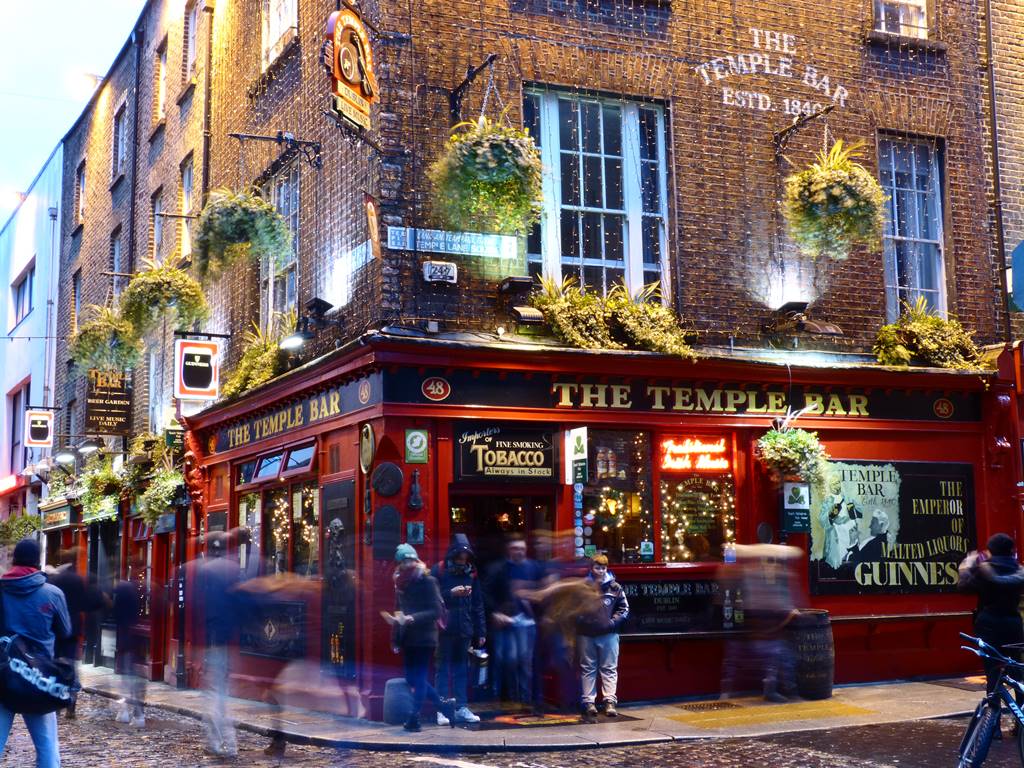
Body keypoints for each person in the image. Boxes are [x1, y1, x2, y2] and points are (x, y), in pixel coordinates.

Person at [0, 538, 71, 768]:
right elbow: (66, 631)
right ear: (38, 560)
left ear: (15, 560)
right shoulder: (52, 593)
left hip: (2, 677)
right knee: (48, 751)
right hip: (37, 679)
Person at [384, 544, 455, 732]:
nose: (408, 565)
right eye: (404, 562)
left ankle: (414, 718)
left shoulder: (428, 581)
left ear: (416, 561)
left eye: (411, 561)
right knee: (412, 678)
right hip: (408, 637)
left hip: (425, 637)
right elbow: (398, 610)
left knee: (420, 676)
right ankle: (444, 706)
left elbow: (436, 611)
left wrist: (413, 618)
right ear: (399, 564)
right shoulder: (400, 582)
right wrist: (395, 638)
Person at [958, 533, 1024, 693]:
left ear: (990, 550)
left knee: (992, 669)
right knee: (1016, 667)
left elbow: (964, 588)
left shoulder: (983, 569)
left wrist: (966, 566)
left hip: (988, 622)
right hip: (1013, 622)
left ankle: (994, 710)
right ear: (1011, 550)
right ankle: (1020, 712)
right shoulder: (1019, 569)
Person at [431, 535, 486, 725]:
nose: (463, 559)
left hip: (465, 628)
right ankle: (442, 709)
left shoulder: (471, 573)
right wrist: (451, 594)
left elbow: (478, 603)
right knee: (443, 669)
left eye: (466, 556)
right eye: (460, 555)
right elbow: (431, 598)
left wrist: (481, 631)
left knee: (461, 669)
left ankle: (461, 707)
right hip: (444, 629)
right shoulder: (439, 571)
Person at [485, 536, 545, 706]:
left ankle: (525, 699)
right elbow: (486, 592)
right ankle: (507, 697)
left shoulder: (533, 567)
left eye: (521, 548)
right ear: (508, 550)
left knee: (525, 661)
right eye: (515, 548)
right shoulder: (498, 568)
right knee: (507, 660)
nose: (519, 552)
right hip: (505, 621)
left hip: (527, 622)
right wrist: (495, 612)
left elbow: (543, 590)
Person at [196, 530, 241, 758]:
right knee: (221, 693)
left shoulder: (205, 570)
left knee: (213, 694)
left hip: (214, 641)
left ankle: (217, 743)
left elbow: (200, 608)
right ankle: (229, 743)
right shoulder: (235, 569)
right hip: (232, 641)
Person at [47, 547, 103, 720]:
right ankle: (71, 702)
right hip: (73, 628)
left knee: (55, 664)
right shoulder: (77, 579)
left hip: (56, 629)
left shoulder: (55, 579)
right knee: (70, 664)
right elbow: (84, 604)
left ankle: (56, 702)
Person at [576, 554, 629, 720]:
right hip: (586, 634)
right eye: (597, 567)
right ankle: (589, 702)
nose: (600, 571)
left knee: (609, 668)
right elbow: (575, 609)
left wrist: (612, 623)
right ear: (591, 568)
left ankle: (609, 702)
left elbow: (624, 609)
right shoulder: (583, 588)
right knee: (588, 668)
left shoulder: (615, 587)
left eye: (603, 568)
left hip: (609, 634)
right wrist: (584, 621)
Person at [112, 559, 146, 727]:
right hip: (136, 637)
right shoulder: (140, 587)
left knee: (128, 676)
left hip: (125, 636)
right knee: (130, 675)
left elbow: (115, 612)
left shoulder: (123, 588)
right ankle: (129, 711)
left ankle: (133, 713)